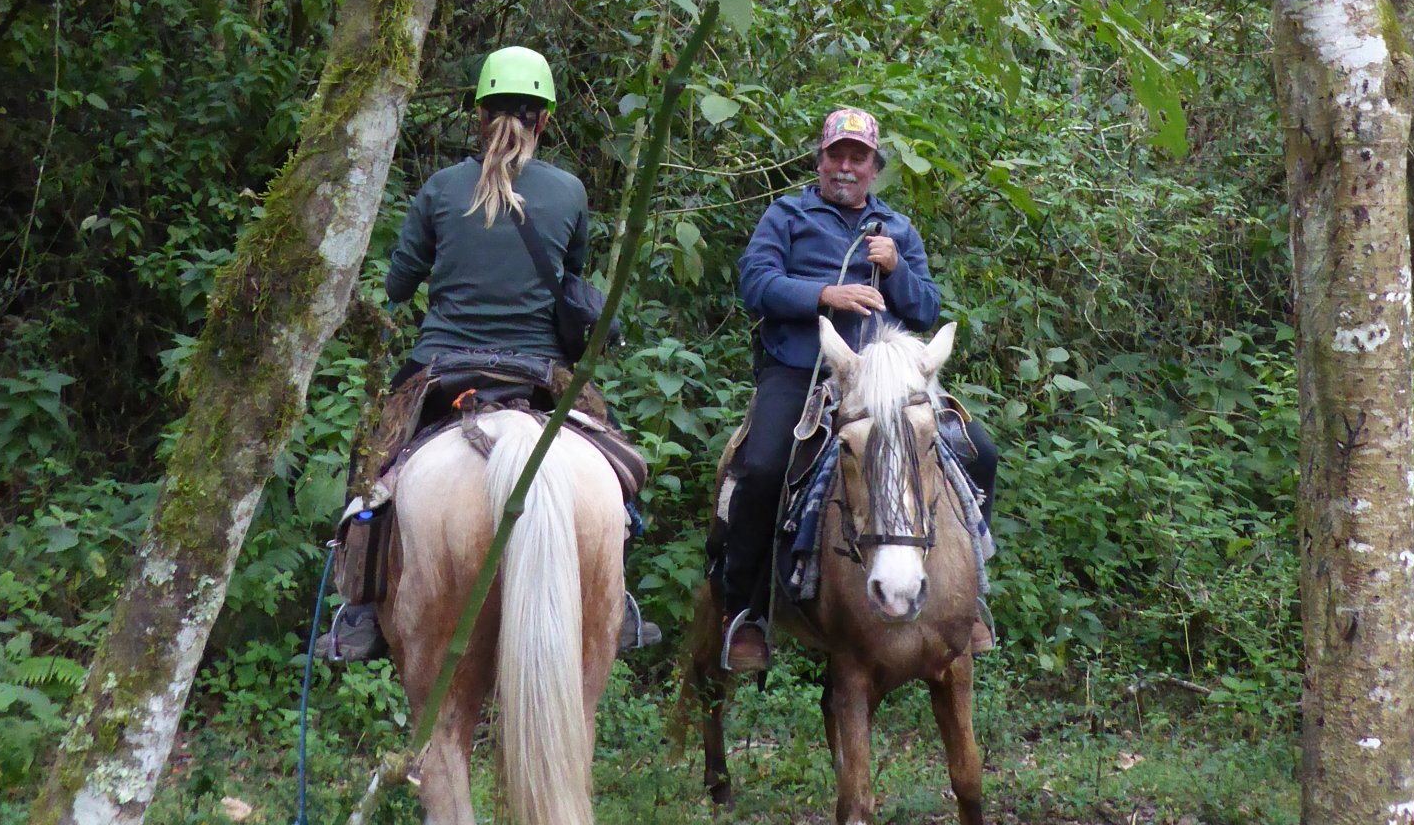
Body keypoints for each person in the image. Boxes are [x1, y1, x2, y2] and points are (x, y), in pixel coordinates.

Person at [319, 45, 659, 661]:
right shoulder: (569, 192)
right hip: (539, 369)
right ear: (545, 119)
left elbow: (397, 285)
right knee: (616, 463)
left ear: (478, 115)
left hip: (442, 363)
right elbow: (572, 282)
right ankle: (619, 598)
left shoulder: (441, 189)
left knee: (371, 466)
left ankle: (361, 608)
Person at [717, 106, 997, 674]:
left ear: (874, 168)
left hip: (886, 383)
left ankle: (970, 602)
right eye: (836, 156)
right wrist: (827, 294)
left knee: (978, 450)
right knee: (765, 465)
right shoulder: (788, 215)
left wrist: (896, 269)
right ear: (820, 160)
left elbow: (925, 309)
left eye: (858, 158)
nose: (845, 167)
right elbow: (755, 282)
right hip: (801, 372)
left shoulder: (896, 229)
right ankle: (744, 614)